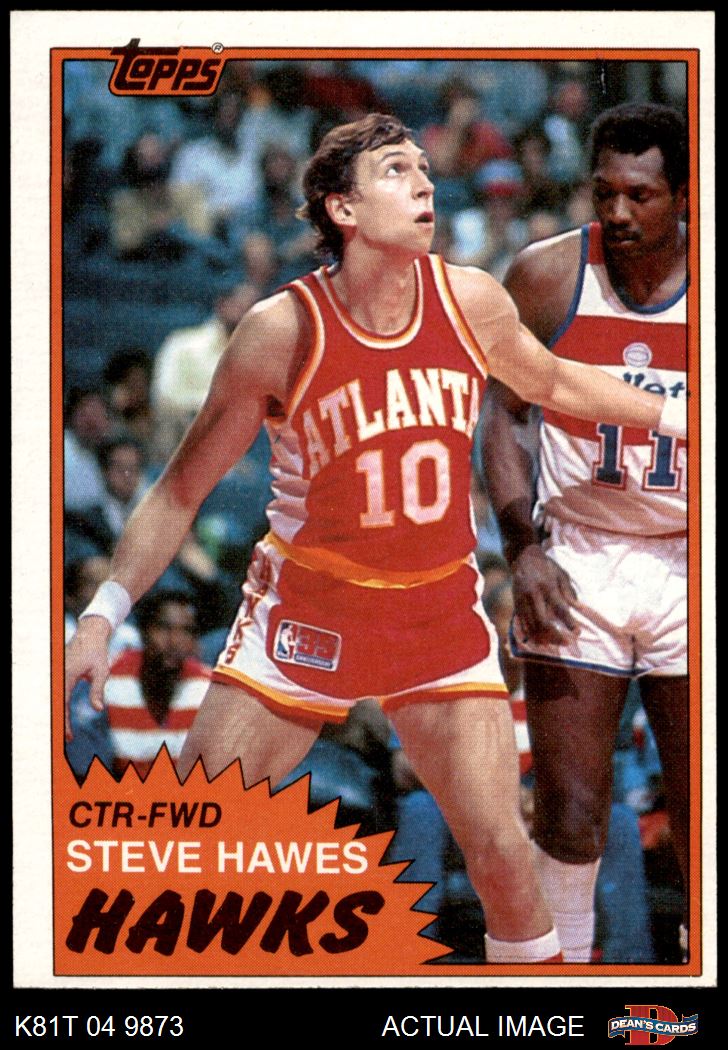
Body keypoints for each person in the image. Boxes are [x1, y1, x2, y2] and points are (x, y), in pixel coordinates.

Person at [65, 113, 685, 964]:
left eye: (425, 167)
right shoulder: (281, 331)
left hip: (435, 617)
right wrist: (101, 614)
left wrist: (677, 417)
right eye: (397, 170)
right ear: (343, 208)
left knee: (506, 859)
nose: (425, 182)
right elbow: (178, 490)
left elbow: (551, 380)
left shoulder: (470, 298)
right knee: (195, 846)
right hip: (307, 614)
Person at [482, 103, 688, 962]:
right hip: (579, 553)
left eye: (641, 194)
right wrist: (522, 548)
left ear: (685, 196)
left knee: (698, 813)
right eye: (604, 192)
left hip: (691, 557)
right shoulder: (547, 275)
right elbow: (501, 416)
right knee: (569, 811)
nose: (618, 211)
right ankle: (556, 988)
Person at [103, 590, 210, 779]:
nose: (174, 641)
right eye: (163, 627)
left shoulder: (207, 687)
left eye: (186, 631)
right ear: (144, 631)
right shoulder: (109, 677)